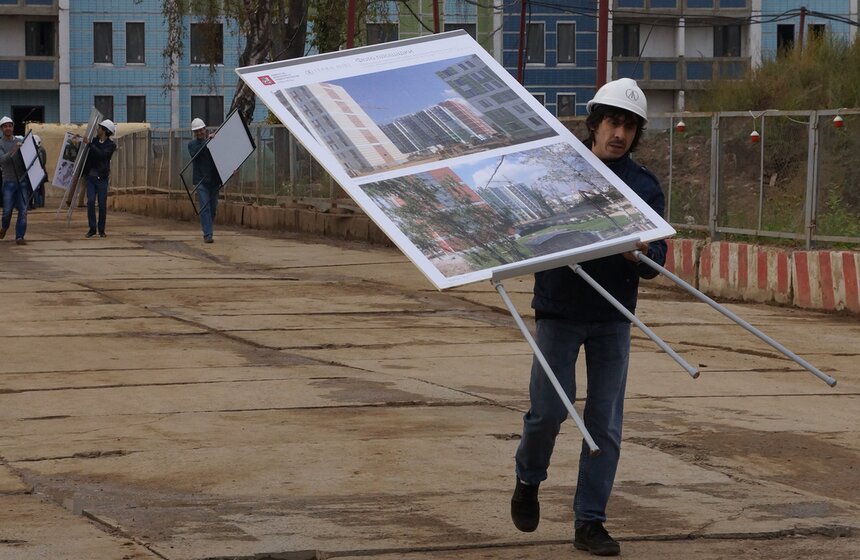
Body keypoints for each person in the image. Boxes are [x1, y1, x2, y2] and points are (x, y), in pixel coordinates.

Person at [510, 78, 668, 557]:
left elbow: (657, 260)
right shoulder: (558, 171)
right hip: (559, 311)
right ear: (595, 123)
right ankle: (528, 478)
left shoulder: (643, 186)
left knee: (605, 423)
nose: (619, 134)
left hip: (613, 318)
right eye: (613, 123)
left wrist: (640, 254)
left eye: (629, 127)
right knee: (548, 412)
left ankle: (590, 522)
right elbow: (525, 230)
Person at [187, 118, 220, 243]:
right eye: (196, 131)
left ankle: (208, 228)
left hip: (214, 180)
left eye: (200, 130)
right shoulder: (192, 145)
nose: (199, 133)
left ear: (204, 129)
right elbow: (196, 153)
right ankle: (208, 234)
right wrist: (207, 142)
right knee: (205, 207)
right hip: (201, 181)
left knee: (212, 209)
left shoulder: (213, 142)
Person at [82, 119, 117, 238]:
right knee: (90, 201)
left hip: (102, 178)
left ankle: (101, 229)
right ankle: (92, 228)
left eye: (100, 128)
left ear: (105, 131)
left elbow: (102, 155)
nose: (97, 129)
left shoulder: (111, 145)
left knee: (102, 204)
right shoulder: (94, 141)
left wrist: (90, 144)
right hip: (91, 177)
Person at [0, 115, 28, 245]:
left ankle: (20, 236)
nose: (8, 128)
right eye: (5, 126)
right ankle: (4, 227)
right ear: (1, 129)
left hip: (22, 181)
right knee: (7, 211)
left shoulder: (20, 140)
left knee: (23, 210)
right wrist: (15, 149)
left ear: (13, 127)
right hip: (8, 182)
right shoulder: (1, 143)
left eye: (10, 126)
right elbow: (3, 160)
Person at [30, 134, 47, 209]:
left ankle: (38, 203)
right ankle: (40, 203)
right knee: (40, 188)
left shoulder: (40, 150)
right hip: (41, 170)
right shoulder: (41, 149)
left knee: (37, 188)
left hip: (38, 171)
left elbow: (42, 161)